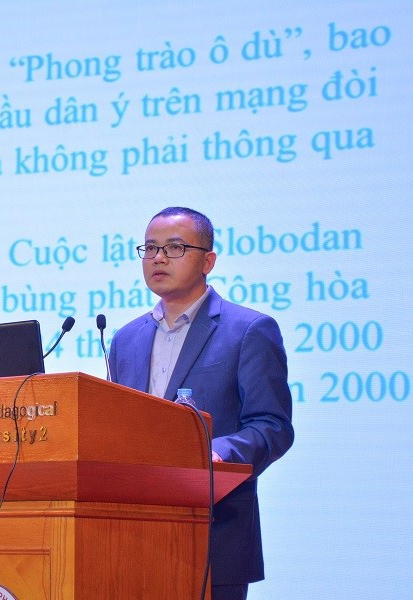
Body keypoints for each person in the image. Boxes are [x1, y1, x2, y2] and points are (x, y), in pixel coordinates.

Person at [107, 207, 294, 600]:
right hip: (129, 537)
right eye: (150, 248)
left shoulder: (248, 330)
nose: (158, 258)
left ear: (208, 261)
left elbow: (273, 426)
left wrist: (217, 453)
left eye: (174, 248)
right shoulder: (126, 338)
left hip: (214, 534)